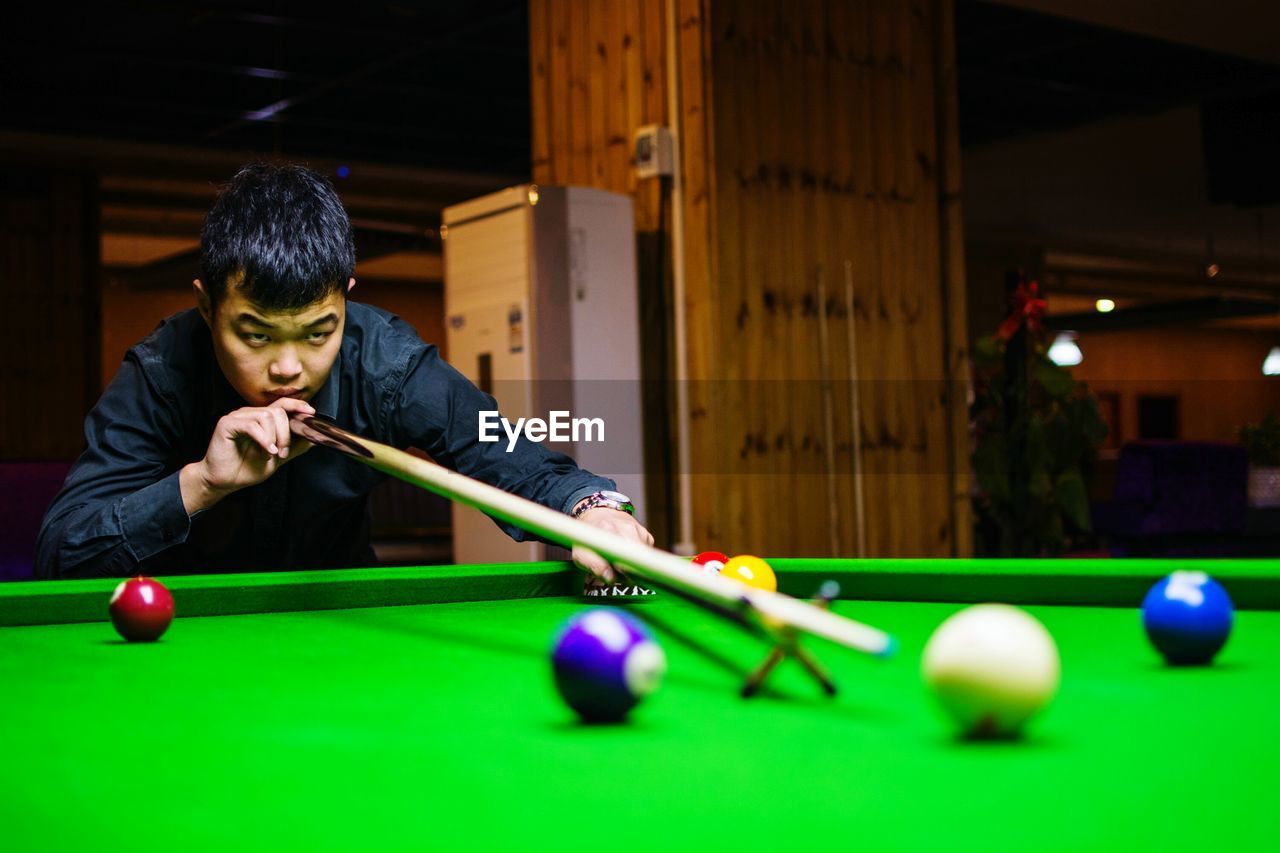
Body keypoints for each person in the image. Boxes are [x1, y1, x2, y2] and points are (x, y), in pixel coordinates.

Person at [36, 163, 652, 580]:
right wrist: (202, 483)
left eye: (317, 332)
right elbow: (60, 554)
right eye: (254, 334)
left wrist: (591, 507)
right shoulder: (160, 372)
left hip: (344, 622)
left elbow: (501, 448)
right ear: (206, 307)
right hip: (182, 631)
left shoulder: (384, 361)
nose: (286, 367)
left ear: (345, 298)